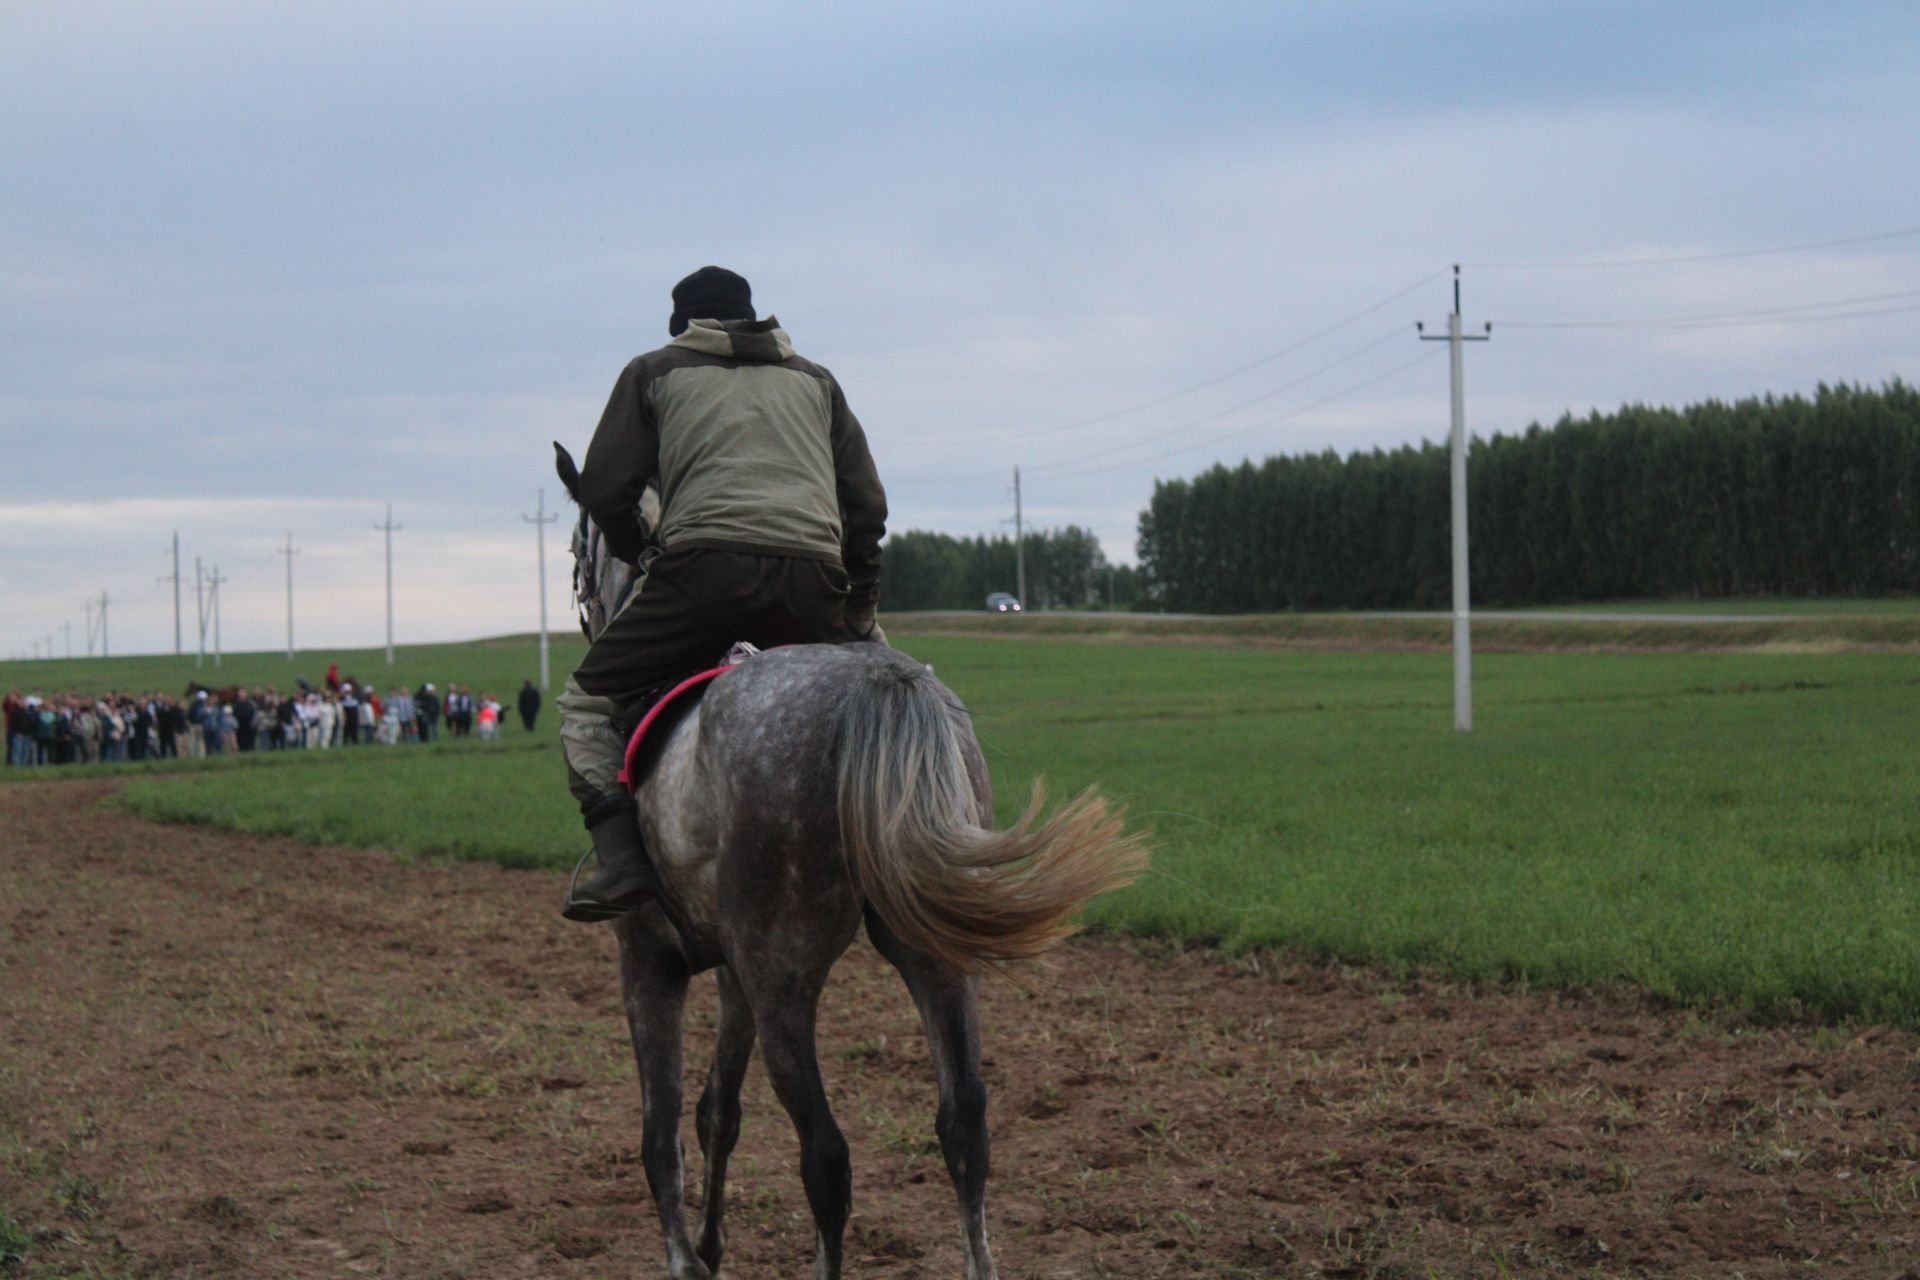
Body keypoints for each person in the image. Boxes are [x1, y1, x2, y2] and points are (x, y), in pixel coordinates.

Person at [557, 265, 887, 922]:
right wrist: (858, 609)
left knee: (586, 703)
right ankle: (911, 835)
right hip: (812, 584)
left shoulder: (654, 371)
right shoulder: (817, 381)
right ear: (752, 316)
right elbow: (867, 508)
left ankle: (621, 862)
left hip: (701, 579)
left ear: (684, 327)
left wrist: (640, 552)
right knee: (896, 687)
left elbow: (602, 491)